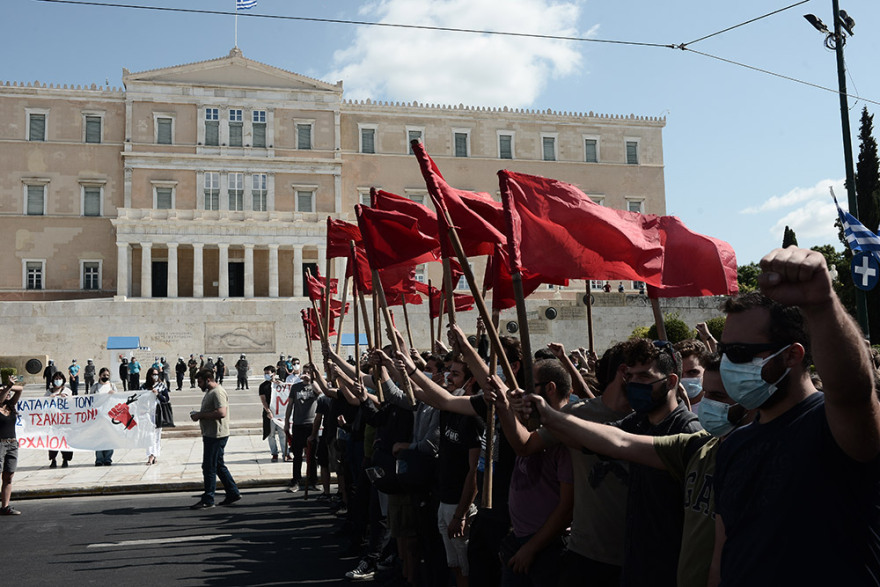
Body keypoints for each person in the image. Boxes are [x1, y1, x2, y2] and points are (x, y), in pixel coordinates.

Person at [710, 247, 880, 586]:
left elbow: (852, 392)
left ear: (792, 355)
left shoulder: (832, 426)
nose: (727, 364)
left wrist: (822, 305)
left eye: (740, 353)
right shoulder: (733, 445)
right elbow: (725, 549)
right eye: (723, 352)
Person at [527, 354, 747, 587]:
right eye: (707, 393)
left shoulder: (747, 458)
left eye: (718, 396)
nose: (708, 402)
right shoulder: (697, 446)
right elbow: (620, 442)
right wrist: (549, 416)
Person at [189, 368, 241, 509]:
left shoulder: (217, 392)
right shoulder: (210, 392)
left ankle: (208, 499)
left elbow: (221, 412)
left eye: (199, 382)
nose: (198, 384)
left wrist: (200, 415)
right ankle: (232, 492)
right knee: (218, 465)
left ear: (208, 380)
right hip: (211, 434)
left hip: (216, 435)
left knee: (209, 467)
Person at [0, 374, 24, 515]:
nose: (8, 394)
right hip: (0, 444)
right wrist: (7, 387)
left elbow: (20, 390)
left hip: (12, 444)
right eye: (4, 392)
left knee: (9, 476)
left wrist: (9, 386)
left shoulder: (10, 406)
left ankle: (5, 506)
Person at [259, 365, 288, 462]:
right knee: (270, 435)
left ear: (273, 373)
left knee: (282, 434)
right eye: (265, 373)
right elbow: (263, 400)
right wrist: (268, 411)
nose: (266, 375)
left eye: (268, 373)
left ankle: (286, 453)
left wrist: (282, 384)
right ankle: (274, 453)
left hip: (280, 413)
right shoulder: (263, 386)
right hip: (269, 413)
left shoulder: (278, 384)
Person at [90, 367, 118, 466]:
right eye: (103, 375)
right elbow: (90, 400)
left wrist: (114, 394)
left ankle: (108, 458)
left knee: (109, 437)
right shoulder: (95, 387)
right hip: (98, 416)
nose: (105, 377)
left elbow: (118, 400)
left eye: (107, 375)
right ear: (100, 375)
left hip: (109, 416)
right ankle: (99, 458)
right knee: (98, 438)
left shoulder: (112, 386)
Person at [142, 367, 168, 465]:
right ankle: (150, 455)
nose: (155, 376)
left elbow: (166, 399)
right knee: (148, 435)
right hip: (147, 413)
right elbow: (139, 398)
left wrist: (158, 394)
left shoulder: (161, 386)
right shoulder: (144, 386)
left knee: (157, 435)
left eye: (157, 374)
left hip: (157, 413)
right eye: (153, 374)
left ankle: (155, 454)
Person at [46, 373, 73, 468]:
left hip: (65, 421)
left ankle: (65, 460)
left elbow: (73, 403)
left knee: (65, 441)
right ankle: (53, 459)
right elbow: (42, 403)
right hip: (53, 422)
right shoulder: (49, 391)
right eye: (56, 378)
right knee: (53, 441)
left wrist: (66, 398)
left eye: (59, 378)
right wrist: (50, 398)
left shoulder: (67, 390)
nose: (58, 380)